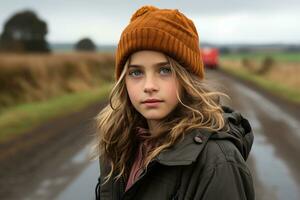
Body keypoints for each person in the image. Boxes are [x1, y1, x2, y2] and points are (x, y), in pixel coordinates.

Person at [93, 5, 255, 200]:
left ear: (187, 78)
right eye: (136, 72)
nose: (149, 86)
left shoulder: (218, 162)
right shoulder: (118, 146)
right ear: (123, 81)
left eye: (164, 70)